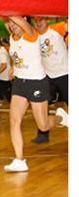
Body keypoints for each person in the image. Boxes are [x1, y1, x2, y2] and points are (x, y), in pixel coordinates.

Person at [1, 16, 68, 172]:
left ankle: (61, 117)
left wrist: (13, 14)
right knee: (14, 121)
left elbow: (19, 20)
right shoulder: (12, 37)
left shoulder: (31, 34)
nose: (11, 25)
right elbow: (1, 13)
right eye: (9, 23)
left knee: (43, 125)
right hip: (19, 83)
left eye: (14, 22)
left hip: (36, 83)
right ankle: (19, 160)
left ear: (23, 19)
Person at [30, 16, 68, 144]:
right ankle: (43, 134)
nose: (38, 23)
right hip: (46, 76)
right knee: (42, 105)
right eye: (35, 20)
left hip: (65, 73)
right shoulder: (34, 35)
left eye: (41, 19)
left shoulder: (57, 28)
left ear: (47, 20)